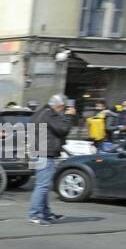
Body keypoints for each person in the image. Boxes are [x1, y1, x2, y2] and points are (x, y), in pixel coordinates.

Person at [27, 93, 74, 225]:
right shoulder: (50, 114)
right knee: (42, 186)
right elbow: (62, 129)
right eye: (63, 108)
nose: (63, 111)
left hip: (37, 151)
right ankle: (35, 214)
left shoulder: (40, 112)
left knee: (43, 185)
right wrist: (69, 116)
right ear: (59, 106)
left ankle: (45, 213)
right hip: (44, 153)